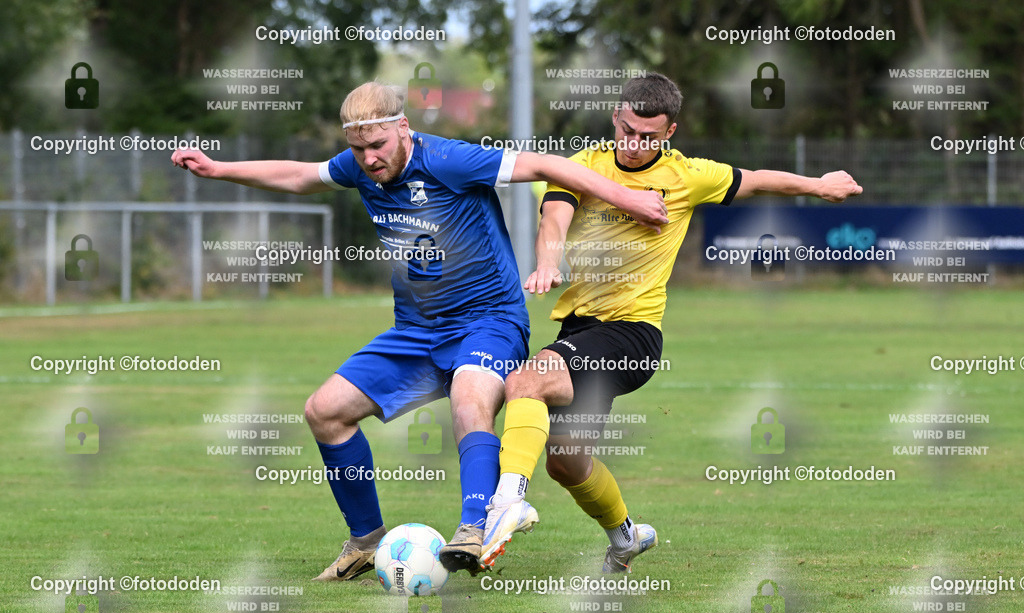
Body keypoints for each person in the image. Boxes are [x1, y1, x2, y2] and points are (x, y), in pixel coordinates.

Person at [171, 81, 667, 579]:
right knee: (324, 412)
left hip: (488, 322)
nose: (367, 159)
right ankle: (365, 541)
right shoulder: (359, 165)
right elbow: (301, 176)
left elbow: (546, 166)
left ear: (402, 128)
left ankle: (474, 531)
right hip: (416, 331)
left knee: (469, 403)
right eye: (357, 148)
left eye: (377, 146)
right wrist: (218, 169)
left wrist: (629, 197)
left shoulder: (449, 160)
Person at [480, 72, 862, 573]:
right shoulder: (582, 166)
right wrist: (548, 261)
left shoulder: (686, 175)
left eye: (649, 137)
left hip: (633, 335)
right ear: (616, 116)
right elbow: (554, 218)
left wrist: (817, 185)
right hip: (580, 330)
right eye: (629, 130)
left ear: (670, 133)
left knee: (528, 379)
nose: (635, 144)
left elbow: (756, 178)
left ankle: (507, 500)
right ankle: (626, 537)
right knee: (567, 462)